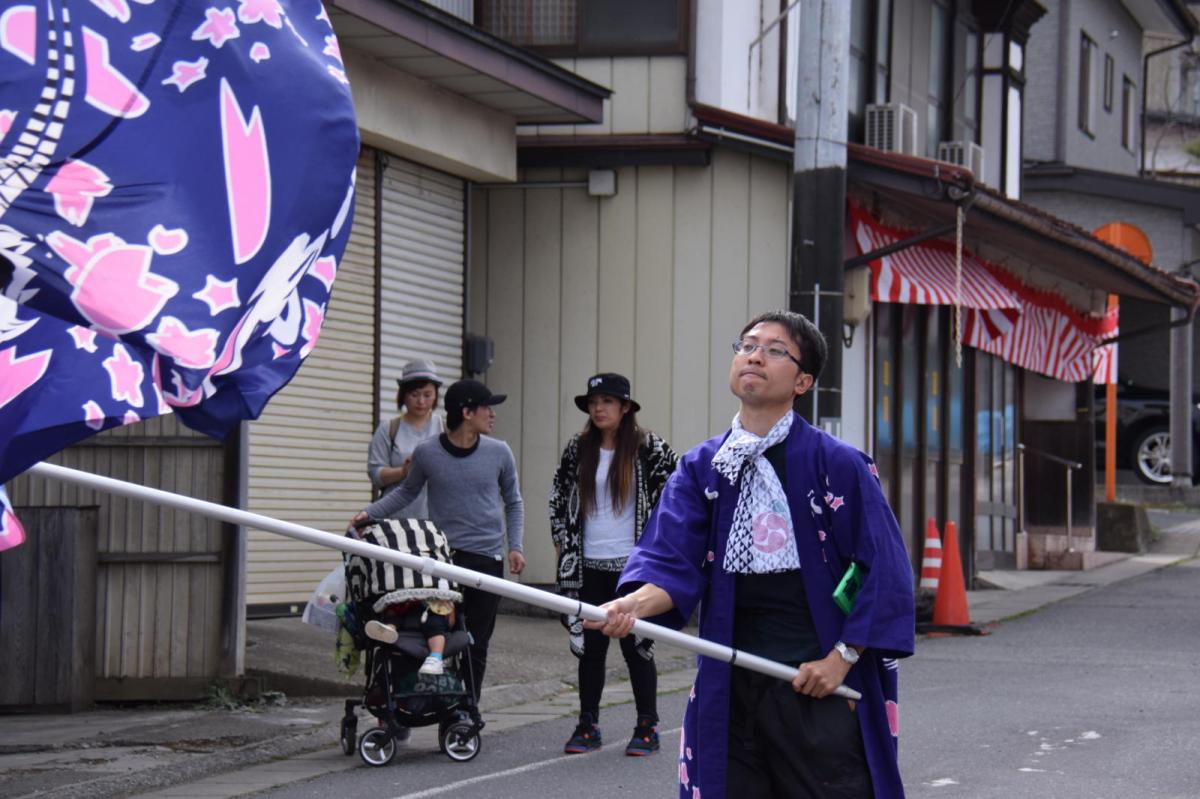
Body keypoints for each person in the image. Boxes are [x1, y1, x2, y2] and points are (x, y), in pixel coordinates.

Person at [588, 311, 915, 799]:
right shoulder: (703, 467)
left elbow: (885, 572)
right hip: (732, 685)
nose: (755, 356)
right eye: (746, 345)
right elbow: (671, 561)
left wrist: (840, 660)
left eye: (775, 350)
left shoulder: (839, 464)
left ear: (802, 381)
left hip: (817, 682)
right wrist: (629, 606)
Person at [352, 379, 525, 702]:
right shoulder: (428, 453)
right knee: (436, 631)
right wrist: (367, 513)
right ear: (467, 412)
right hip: (443, 560)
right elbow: (406, 492)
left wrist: (515, 546)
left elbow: (513, 501)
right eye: (487, 408)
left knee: (477, 641)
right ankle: (433, 700)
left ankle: (467, 708)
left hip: (488, 559)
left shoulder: (499, 452)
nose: (493, 414)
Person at [549, 373, 678, 757]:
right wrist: (561, 541)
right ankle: (587, 724)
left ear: (625, 407)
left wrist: (662, 551)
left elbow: (674, 495)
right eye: (593, 402)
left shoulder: (648, 446)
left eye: (607, 401)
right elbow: (558, 495)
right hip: (587, 563)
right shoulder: (579, 447)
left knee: (637, 648)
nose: (599, 408)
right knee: (591, 650)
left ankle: (647, 725)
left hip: (633, 567)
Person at [366, 359, 444, 517]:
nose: (421, 401)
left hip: (435, 520)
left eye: (427, 395)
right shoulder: (389, 429)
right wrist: (403, 471)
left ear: (436, 395)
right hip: (395, 520)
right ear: (403, 395)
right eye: (414, 395)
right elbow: (375, 474)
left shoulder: (445, 428)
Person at [365, 598, 457, 676]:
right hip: (404, 605)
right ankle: (389, 629)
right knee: (392, 613)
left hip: (432, 609)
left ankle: (436, 657)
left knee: (435, 625)